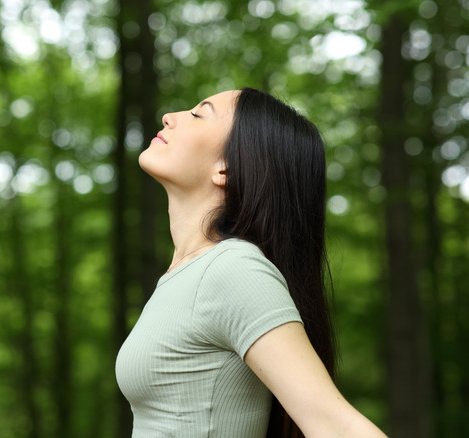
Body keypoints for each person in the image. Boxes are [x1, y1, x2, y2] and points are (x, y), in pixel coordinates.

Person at [115, 88, 387, 438]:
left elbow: (333, 424)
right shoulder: (185, 274)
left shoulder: (232, 270)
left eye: (199, 114)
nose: (170, 116)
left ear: (225, 169)